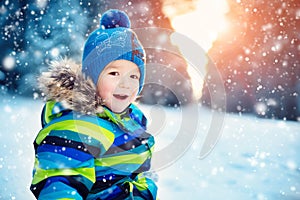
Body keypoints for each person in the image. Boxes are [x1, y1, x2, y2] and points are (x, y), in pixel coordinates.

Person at [30, 9, 157, 200]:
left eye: (134, 76)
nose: (126, 83)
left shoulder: (132, 120)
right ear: (92, 79)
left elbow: (138, 171)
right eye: (114, 74)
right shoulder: (76, 126)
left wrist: (144, 188)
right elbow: (59, 185)